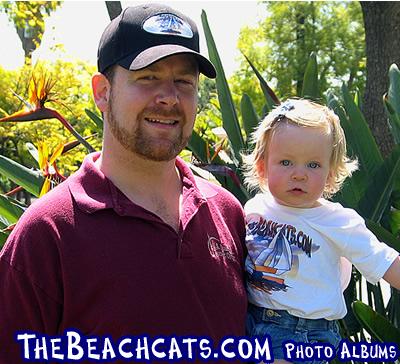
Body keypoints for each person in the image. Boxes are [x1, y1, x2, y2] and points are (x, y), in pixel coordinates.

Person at [0, 4, 247, 363]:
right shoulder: (46, 235)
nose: (169, 97)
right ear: (102, 92)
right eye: (148, 77)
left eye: (184, 82)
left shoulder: (227, 213)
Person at [243, 98, 400, 364]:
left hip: (304, 334)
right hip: (252, 323)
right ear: (262, 166)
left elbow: (384, 261)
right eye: (286, 162)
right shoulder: (254, 208)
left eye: (313, 165)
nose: (299, 174)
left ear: (330, 174)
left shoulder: (337, 221)